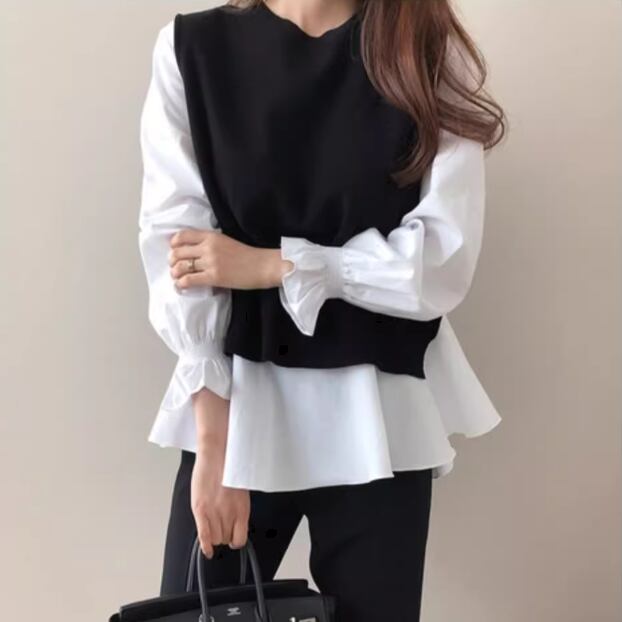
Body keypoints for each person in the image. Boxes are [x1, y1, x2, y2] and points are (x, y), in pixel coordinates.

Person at [137, 1, 506, 620]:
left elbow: (442, 260)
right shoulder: (192, 49)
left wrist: (276, 265)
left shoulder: (426, 46)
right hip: (237, 409)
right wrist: (215, 444)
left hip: (381, 419)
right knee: (191, 609)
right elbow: (179, 251)